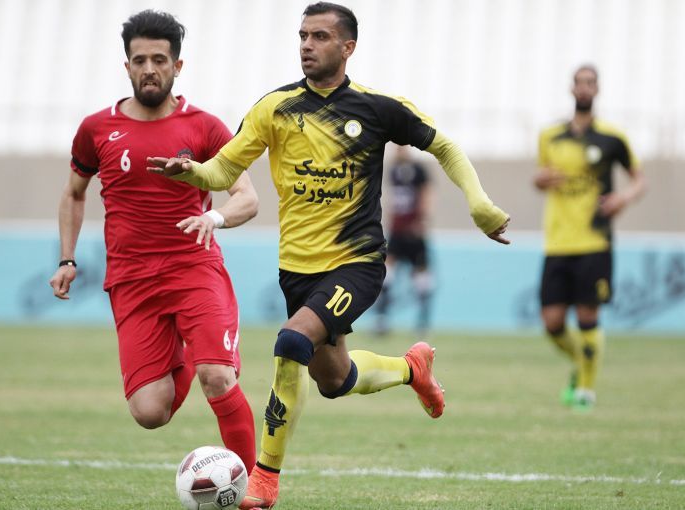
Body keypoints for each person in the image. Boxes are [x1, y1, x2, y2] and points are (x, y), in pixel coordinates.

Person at [148, 3, 510, 508]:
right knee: (334, 379)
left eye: (319, 36)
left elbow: (444, 147)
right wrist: (191, 171)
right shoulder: (274, 108)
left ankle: (265, 478)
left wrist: (480, 204)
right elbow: (223, 171)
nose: (306, 45)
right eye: (302, 35)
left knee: (291, 341)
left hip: (356, 263)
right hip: (297, 270)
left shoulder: (377, 108)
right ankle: (413, 369)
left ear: (347, 47)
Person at [48, 10, 259, 472]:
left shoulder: (204, 127)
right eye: (140, 60)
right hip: (132, 280)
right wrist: (66, 259)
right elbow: (74, 193)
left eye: (159, 60)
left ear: (177, 66)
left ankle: (256, 489)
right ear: (127, 66)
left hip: (193, 268)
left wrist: (213, 218)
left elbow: (248, 198)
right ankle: (194, 350)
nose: (149, 69)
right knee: (150, 412)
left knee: (217, 377)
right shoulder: (96, 129)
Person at [534, 64, 645, 410]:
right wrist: (540, 180)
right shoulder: (549, 136)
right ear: (571, 89)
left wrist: (623, 198)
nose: (584, 88)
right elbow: (540, 177)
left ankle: (585, 391)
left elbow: (639, 179)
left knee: (587, 318)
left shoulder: (613, 137)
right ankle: (582, 362)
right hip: (557, 241)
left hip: (595, 240)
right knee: (552, 322)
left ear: (597, 90)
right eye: (579, 83)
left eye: (590, 83)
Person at [374, 144, 434, 338]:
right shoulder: (393, 171)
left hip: (414, 231)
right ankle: (382, 320)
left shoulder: (418, 170)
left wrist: (422, 221)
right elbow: (393, 199)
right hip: (397, 231)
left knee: (421, 277)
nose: (398, 151)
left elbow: (426, 194)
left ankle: (423, 322)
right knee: (387, 273)